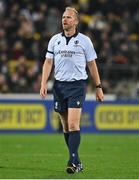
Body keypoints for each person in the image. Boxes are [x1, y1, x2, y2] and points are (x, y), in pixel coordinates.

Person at [40, 7, 104, 174]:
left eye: (68, 17)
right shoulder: (54, 40)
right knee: (66, 126)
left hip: (77, 86)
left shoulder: (85, 41)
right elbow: (48, 63)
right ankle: (77, 160)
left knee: (74, 123)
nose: (64, 20)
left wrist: (98, 87)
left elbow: (92, 64)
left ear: (75, 21)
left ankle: (72, 161)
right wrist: (43, 83)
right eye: (63, 17)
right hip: (59, 86)